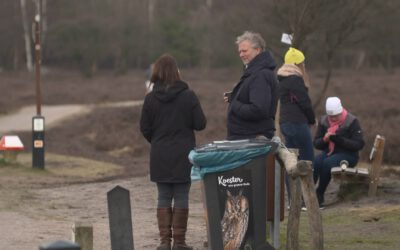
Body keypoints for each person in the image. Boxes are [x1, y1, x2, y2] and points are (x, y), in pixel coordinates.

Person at [140, 54, 206, 250]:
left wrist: (158, 141)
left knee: (163, 196)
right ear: (177, 72)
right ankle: (179, 242)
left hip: (159, 153)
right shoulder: (188, 95)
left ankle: (163, 243)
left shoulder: (150, 98)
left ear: (156, 73)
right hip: (183, 153)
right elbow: (200, 124)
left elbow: (144, 128)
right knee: (182, 196)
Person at [277, 47, 316, 207]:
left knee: (291, 161)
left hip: (286, 123)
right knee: (308, 160)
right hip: (298, 123)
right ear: (298, 63)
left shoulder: (282, 78)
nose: (304, 65)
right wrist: (312, 119)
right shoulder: (295, 79)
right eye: (303, 63)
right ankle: (308, 200)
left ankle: (294, 200)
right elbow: (304, 102)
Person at [224, 31, 278, 140]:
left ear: (257, 50)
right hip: (248, 137)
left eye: (244, 51)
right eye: (239, 52)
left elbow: (258, 110)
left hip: (253, 139)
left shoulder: (260, 75)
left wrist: (235, 104)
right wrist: (234, 96)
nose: (241, 55)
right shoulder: (254, 73)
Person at [313, 97, 364, 208]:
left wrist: (339, 140)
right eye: (331, 117)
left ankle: (319, 193)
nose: (334, 119)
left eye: (336, 116)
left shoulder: (352, 121)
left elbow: (359, 144)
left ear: (341, 111)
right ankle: (309, 194)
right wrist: (324, 140)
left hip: (349, 155)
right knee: (316, 162)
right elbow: (316, 143)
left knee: (327, 163)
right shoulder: (323, 121)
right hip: (329, 152)